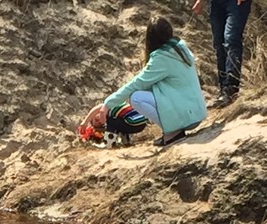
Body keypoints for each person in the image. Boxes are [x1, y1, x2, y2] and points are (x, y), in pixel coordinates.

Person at [85, 17, 208, 148]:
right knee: (148, 90)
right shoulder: (180, 47)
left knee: (136, 98)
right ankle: (173, 130)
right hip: (196, 112)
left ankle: (173, 133)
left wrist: (108, 104)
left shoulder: (161, 58)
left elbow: (136, 84)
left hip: (186, 117)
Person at [193, 0, 252, 108]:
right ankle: (224, 90)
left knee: (231, 39)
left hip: (236, 4)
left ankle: (231, 89)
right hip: (216, 4)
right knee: (219, 44)